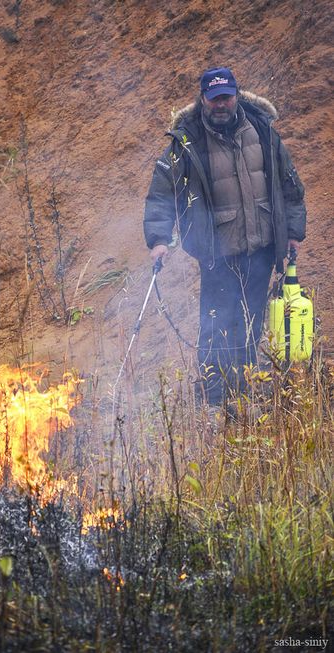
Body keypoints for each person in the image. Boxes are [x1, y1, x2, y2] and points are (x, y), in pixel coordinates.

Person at [143, 66, 306, 407]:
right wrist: (159, 238)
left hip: (261, 248)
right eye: (214, 98)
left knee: (251, 321)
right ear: (203, 99)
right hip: (217, 252)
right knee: (216, 322)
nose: (221, 104)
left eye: (226, 97)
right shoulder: (187, 140)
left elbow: (289, 184)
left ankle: (243, 389)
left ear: (236, 95)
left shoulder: (263, 129)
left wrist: (293, 231)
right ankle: (213, 394)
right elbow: (161, 194)